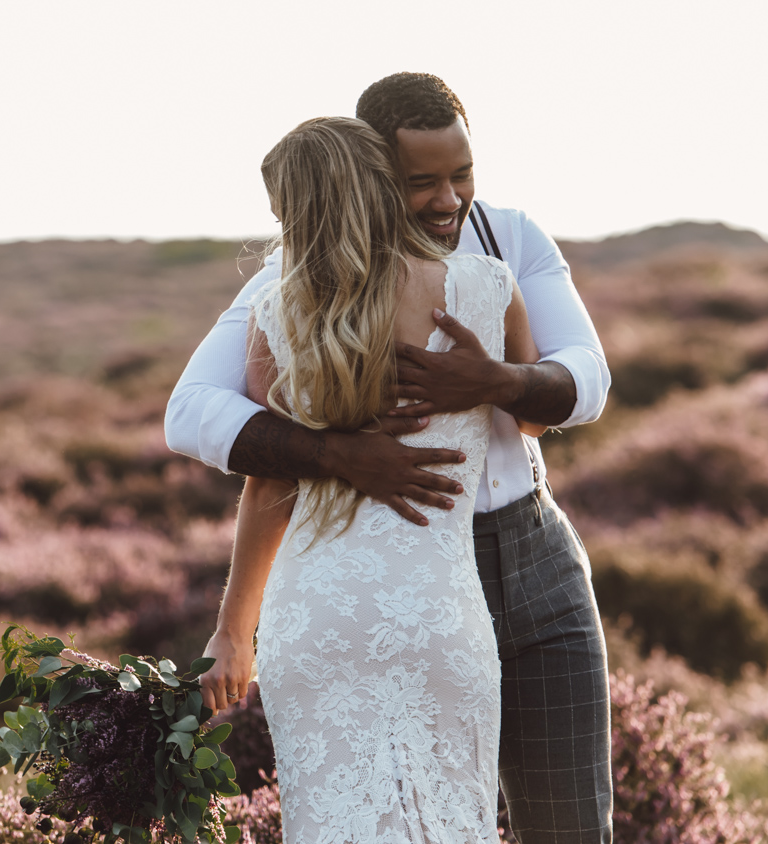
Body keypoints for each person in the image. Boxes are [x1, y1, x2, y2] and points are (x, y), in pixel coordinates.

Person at [172, 74, 613, 843]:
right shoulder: (299, 276)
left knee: (571, 827)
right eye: (421, 183)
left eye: (462, 174)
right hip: (386, 569)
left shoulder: (511, 242)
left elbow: (587, 381)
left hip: (531, 560)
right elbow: (192, 412)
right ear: (373, 172)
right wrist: (340, 454)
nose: (449, 200)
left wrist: (495, 381)